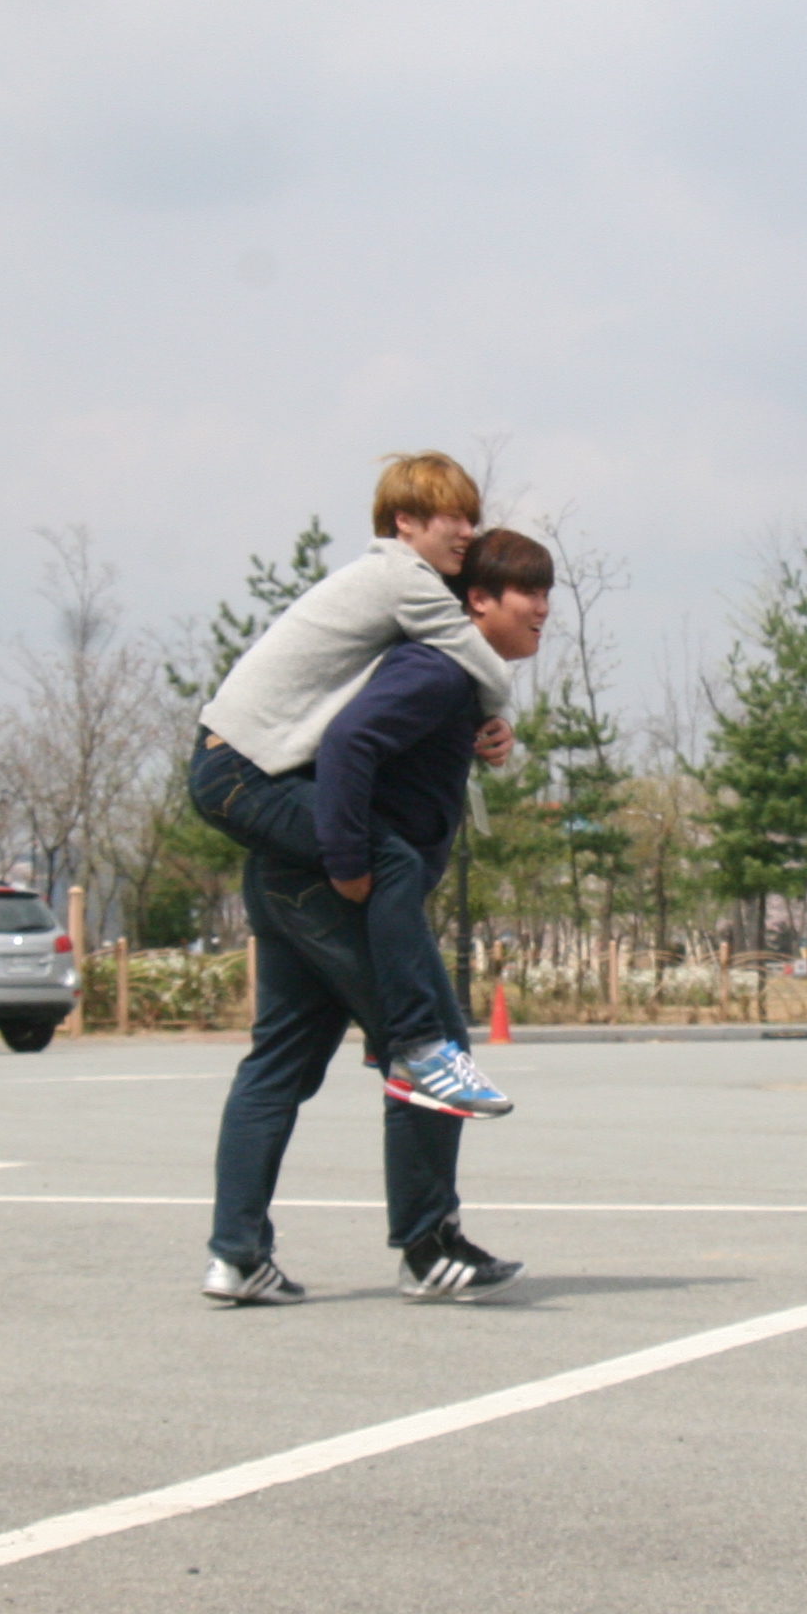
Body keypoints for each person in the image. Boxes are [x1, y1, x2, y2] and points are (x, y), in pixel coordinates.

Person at [205, 528, 552, 1305]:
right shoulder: (437, 669)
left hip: (289, 881)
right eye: (527, 592)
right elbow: (352, 741)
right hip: (332, 886)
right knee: (431, 1048)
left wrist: (483, 729)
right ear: (475, 603)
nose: (543, 608)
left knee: (280, 1064)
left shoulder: (447, 680)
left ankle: (235, 1256)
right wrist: (352, 865)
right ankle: (428, 1249)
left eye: (546, 591)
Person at [191, 451, 519, 1118]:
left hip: (233, 763)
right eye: (452, 518)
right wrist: (346, 864)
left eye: (471, 519)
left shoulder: (384, 578)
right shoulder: (407, 579)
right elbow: (484, 663)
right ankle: (417, 1043)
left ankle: (237, 1231)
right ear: (405, 522)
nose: (466, 533)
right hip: (242, 771)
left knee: (281, 1059)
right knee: (387, 856)